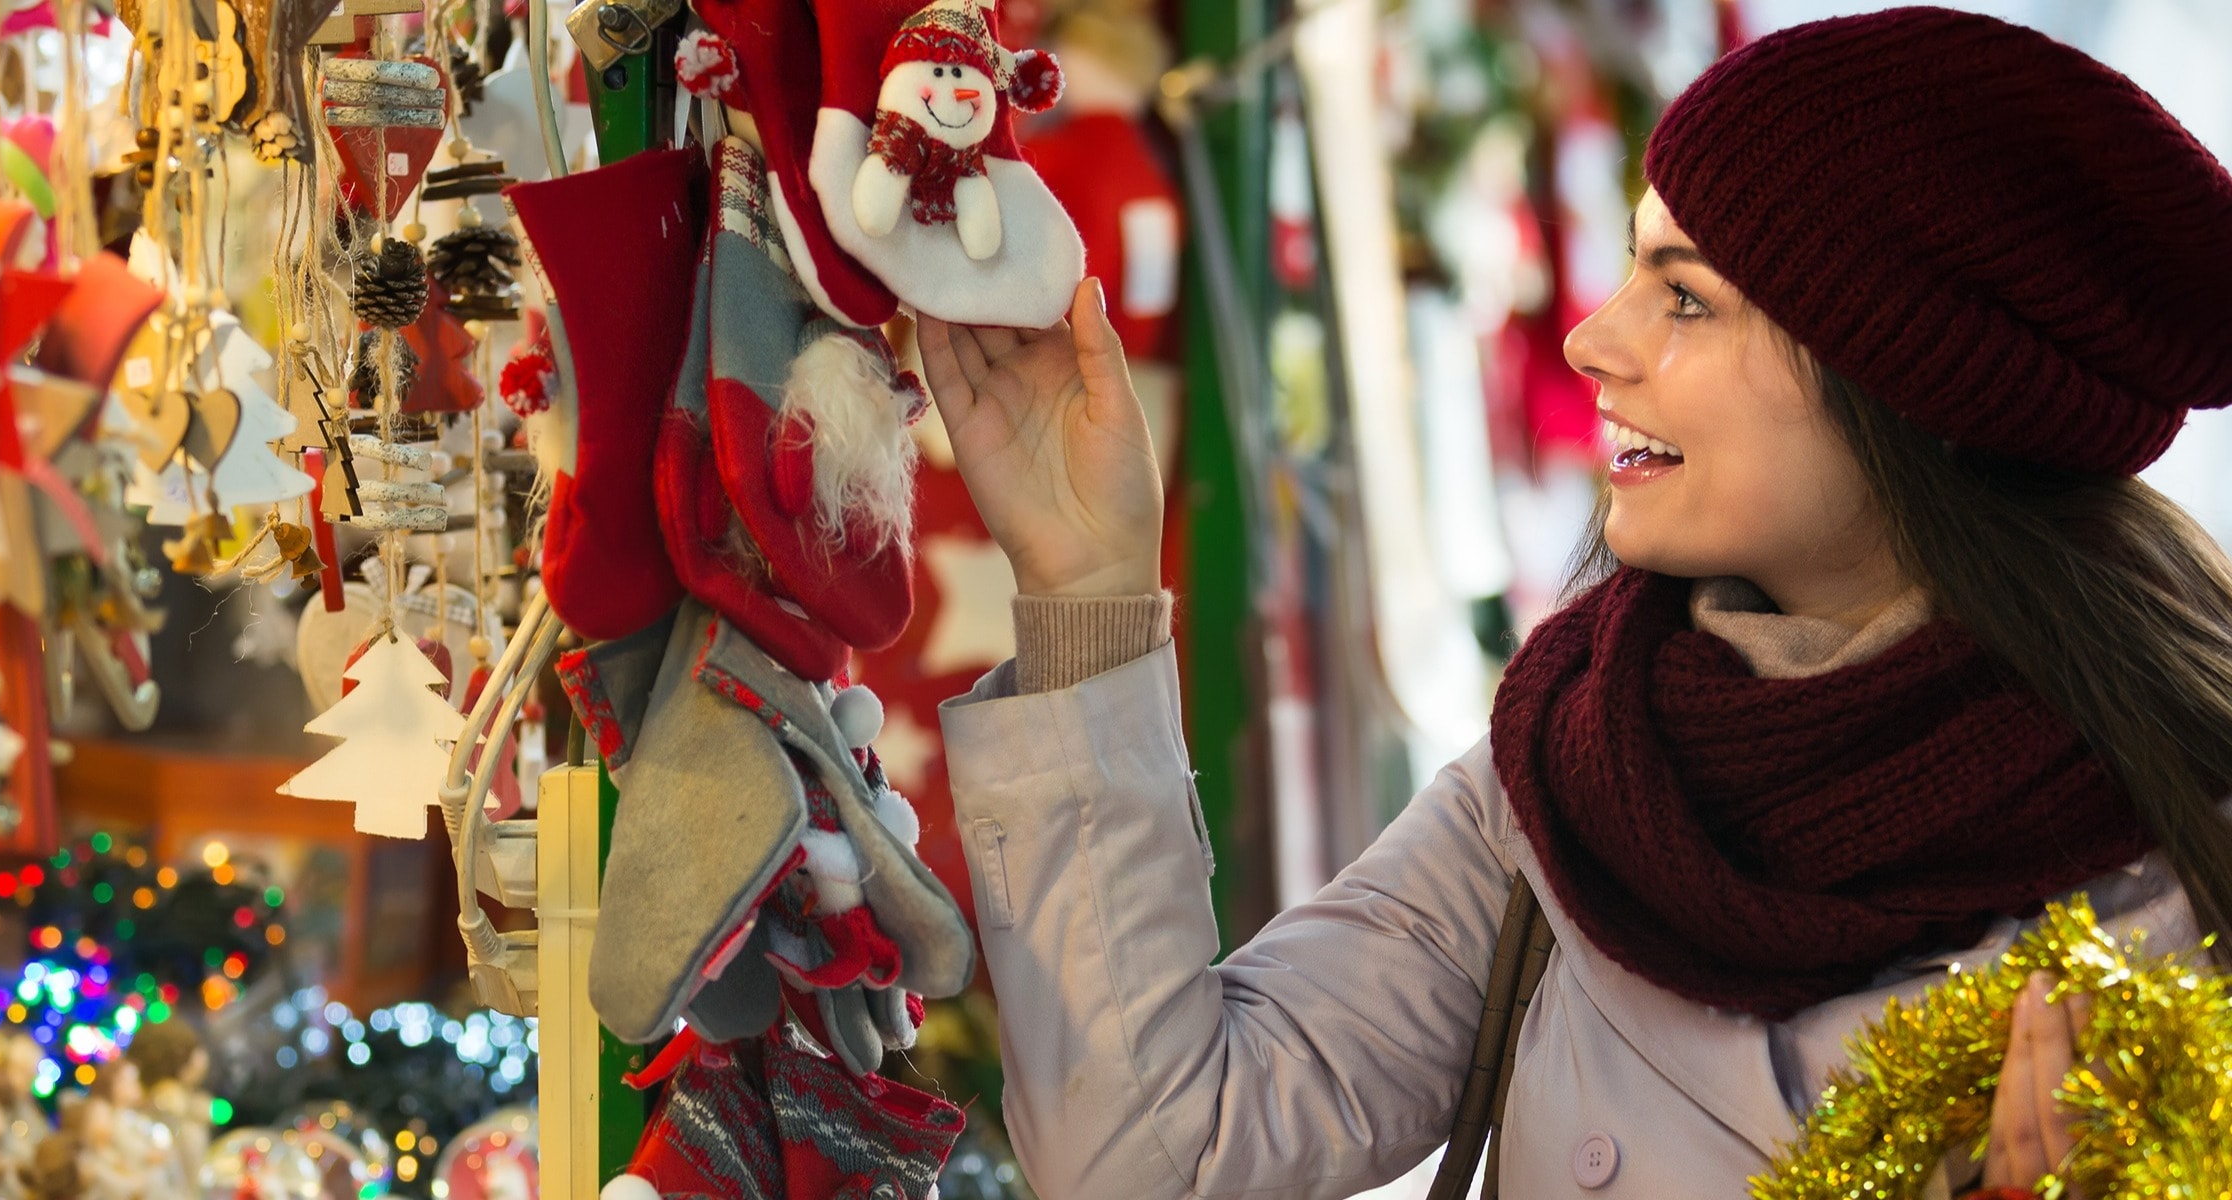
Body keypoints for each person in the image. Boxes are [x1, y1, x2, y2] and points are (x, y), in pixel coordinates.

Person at [917, 7, 2232, 1197]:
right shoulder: (1569, 772)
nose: (1592, 341)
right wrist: (1084, 592)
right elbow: (1159, 1153)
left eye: (1684, 298)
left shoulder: (2182, 883)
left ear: (1911, 380)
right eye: (1629, 269)